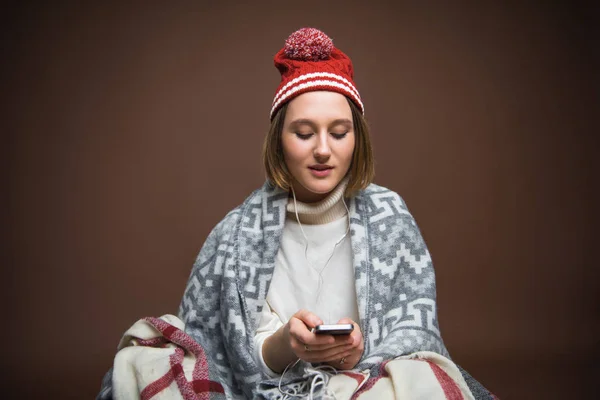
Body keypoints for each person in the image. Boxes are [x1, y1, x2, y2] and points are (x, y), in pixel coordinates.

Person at [98, 27, 495, 400]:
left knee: (421, 378)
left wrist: (354, 356)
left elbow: (416, 338)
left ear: (357, 139)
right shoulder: (238, 231)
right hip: (269, 391)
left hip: (363, 387)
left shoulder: (389, 217)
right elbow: (215, 348)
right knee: (143, 360)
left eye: (339, 133)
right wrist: (286, 345)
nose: (322, 149)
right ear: (279, 142)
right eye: (304, 133)